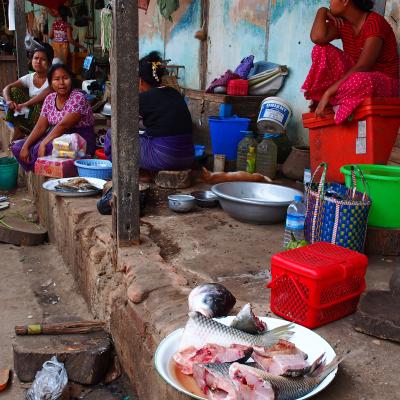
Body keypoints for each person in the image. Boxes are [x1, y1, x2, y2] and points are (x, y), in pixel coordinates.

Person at [302, 0, 399, 124]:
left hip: (385, 83)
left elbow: (364, 66)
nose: (329, 2)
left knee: (359, 79)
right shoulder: (343, 23)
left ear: (345, 1)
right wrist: (322, 11)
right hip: (354, 78)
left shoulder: (374, 22)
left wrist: (328, 92)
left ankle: (332, 100)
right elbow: (317, 38)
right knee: (321, 50)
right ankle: (336, 100)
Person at [104, 51, 194, 172]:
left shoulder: (143, 98)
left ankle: (125, 174)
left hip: (164, 157)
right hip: (188, 157)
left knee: (112, 133)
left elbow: (123, 125)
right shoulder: (175, 93)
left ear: (140, 81)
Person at [11, 64, 96, 171]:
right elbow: (41, 126)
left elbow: (63, 126)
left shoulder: (78, 97)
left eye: (65, 78)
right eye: (56, 79)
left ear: (71, 79)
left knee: (48, 147)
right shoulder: (49, 98)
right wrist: (25, 146)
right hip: (55, 135)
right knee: (17, 147)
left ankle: (42, 166)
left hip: (80, 139)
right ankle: (39, 165)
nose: (61, 83)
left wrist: (43, 143)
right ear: (50, 82)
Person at [3, 46, 53, 143]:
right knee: (14, 90)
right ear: (31, 60)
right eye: (36, 58)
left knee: (41, 102)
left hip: (45, 119)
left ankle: (31, 134)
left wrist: (26, 104)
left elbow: (48, 92)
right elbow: (6, 88)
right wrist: (8, 100)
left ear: (49, 63)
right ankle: (18, 129)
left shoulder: (53, 77)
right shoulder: (29, 77)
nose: (38, 61)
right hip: (29, 115)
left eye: (43, 59)